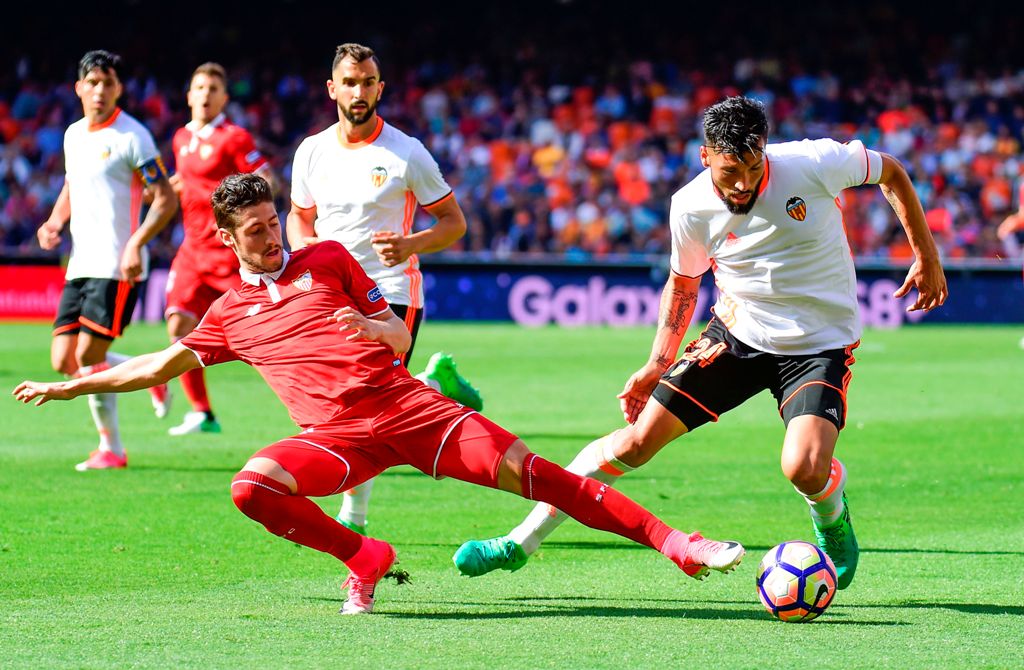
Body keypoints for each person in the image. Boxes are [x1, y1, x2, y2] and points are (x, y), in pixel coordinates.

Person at [15, 173, 746, 615]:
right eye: (256, 232)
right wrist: (69, 383)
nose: (272, 239)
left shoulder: (328, 258)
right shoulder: (228, 314)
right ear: (228, 239)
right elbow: (151, 367)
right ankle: (363, 556)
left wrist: (367, 320)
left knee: (542, 479)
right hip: (334, 440)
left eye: (273, 224)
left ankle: (676, 544)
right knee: (250, 488)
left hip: (411, 411)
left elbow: (397, 342)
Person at [453, 96, 948, 590]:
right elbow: (684, 284)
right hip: (736, 336)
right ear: (705, 156)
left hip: (818, 347)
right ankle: (520, 542)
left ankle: (832, 520)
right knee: (636, 441)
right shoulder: (689, 206)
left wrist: (926, 255)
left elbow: (893, 173)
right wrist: (656, 363)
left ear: (766, 151)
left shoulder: (814, 162)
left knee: (802, 468)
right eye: (731, 170)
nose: (743, 183)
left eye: (754, 168)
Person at [286, 42, 482, 534]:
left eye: (368, 82)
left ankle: (353, 517)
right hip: (332, 294)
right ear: (333, 88)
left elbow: (453, 223)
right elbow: (298, 217)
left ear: (380, 88)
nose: (359, 91)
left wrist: (410, 242)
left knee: (365, 404)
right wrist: (305, 248)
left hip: (390, 289)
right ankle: (438, 387)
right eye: (349, 82)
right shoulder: (311, 151)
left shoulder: (407, 152)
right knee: (351, 402)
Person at [35, 50, 178, 471]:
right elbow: (71, 186)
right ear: (79, 88)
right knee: (63, 360)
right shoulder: (73, 135)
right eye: (92, 82)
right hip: (80, 264)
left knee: (87, 359)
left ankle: (111, 449)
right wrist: (54, 221)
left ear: (118, 89)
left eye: (108, 83)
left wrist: (136, 243)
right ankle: (154, 373)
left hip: (118, 266)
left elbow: (166, 199)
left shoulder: (133, 137)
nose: (100, 90)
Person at [165, 62, 277, 436]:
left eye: (214, 88)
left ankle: (319, 402)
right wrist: (168, 189)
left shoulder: (234, 137)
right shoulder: (181, 138)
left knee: (266, 336)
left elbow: (264, 177)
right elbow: (187, 180)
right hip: (191, 250)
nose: (206, 94)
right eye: (200, 87)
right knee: (178, 323)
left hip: (228, 253)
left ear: (224, 98)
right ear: (189, 95)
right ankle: (201, 412)